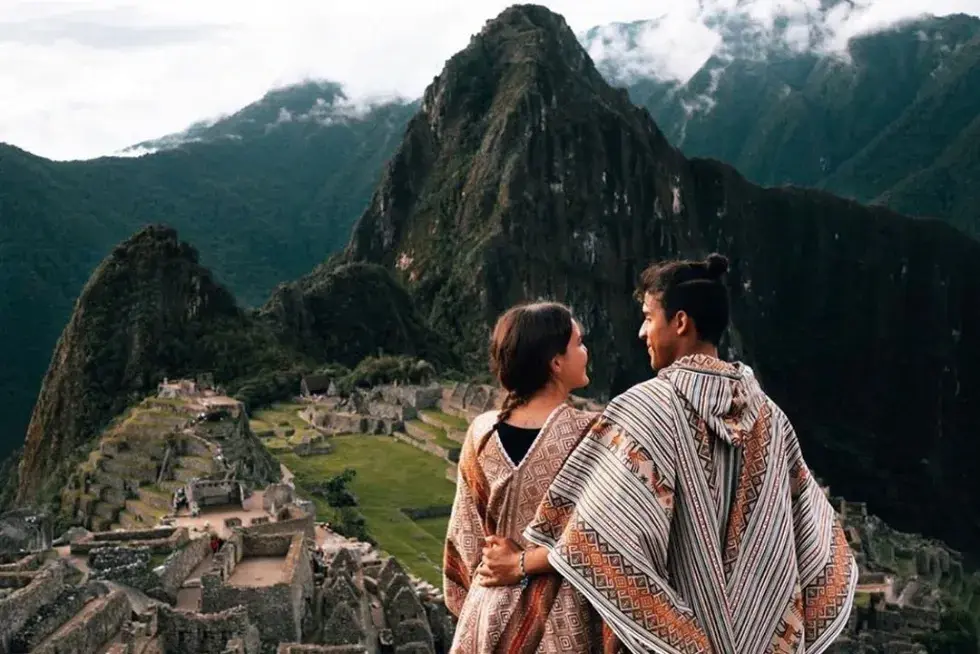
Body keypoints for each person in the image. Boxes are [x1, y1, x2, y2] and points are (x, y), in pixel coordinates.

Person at [511, 253, 857, 654]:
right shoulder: (771, 418)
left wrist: (519, 564)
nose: (642, 332)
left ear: (680, 323)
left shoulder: (644, 411)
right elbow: (818, 539)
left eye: (648, 317)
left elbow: (594, 541)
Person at [443, 301, 608, 654]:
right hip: (566, 624)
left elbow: (466, 541)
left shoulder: (481, 434)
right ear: (556, 363)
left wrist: (504, 573)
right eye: (578, 343)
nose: (585, 351)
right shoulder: (595, 435)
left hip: (488, 617)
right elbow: (607, 539)